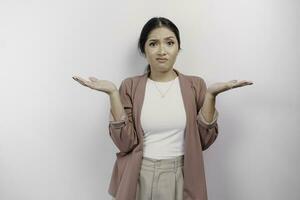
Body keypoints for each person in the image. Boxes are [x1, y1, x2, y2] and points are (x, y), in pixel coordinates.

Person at [73, 17, 253, 200]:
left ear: (178, 48)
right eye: (153, 44)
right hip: (140, 174)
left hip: (183, 175)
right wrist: (112, 93)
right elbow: (125, 143)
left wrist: (210, 96)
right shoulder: (130, 86)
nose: (162, 51)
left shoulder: (195, 85)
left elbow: (204, 141)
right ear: (144, 49)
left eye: (169, 43)